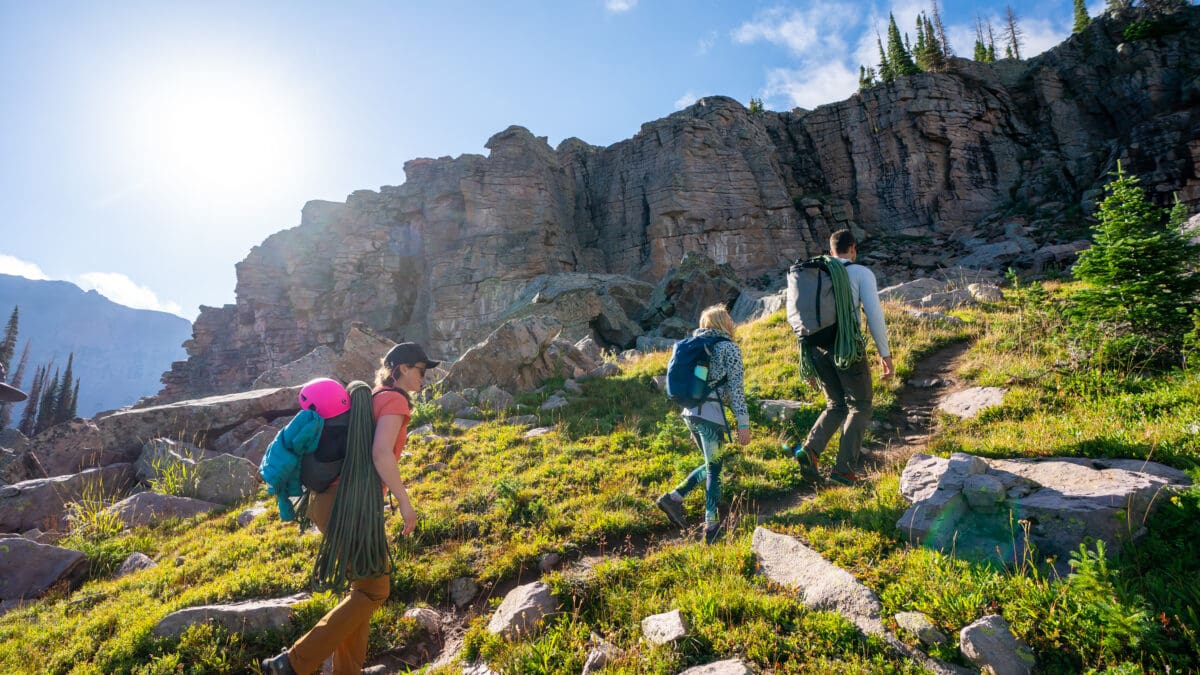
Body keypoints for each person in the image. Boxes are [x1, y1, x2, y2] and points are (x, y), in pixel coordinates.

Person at [262, 342, 435, 675]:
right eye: (420, 369)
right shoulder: (395, 401)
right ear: (400, 369)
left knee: (363, 591)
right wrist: (405, 502)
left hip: (328, 500)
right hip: (347, 505)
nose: (424, 376)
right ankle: (292, 663)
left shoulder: (369, 397)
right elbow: (381, 454)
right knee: (375, 590)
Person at [793, 229, 893, 486]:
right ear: (853, 249)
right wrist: (885, 353)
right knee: (860, 405)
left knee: (836, 405)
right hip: (846, 348)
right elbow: (874, 315)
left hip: (816, 347)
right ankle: (843, 470)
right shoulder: (860, 273)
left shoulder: (816, 273)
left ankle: (810, 450)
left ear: (831, 251)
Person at [655, 304, 751, 544]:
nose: (731, 321)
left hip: (690, 413)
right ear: (722, 322)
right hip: (710, 415)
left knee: (712, 464)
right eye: (728, 317)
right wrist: (743, 423)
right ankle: (711, 526)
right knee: (714, 470)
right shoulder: (729, 348)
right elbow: (735, 390)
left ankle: (675, 497)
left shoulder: (694, 346)